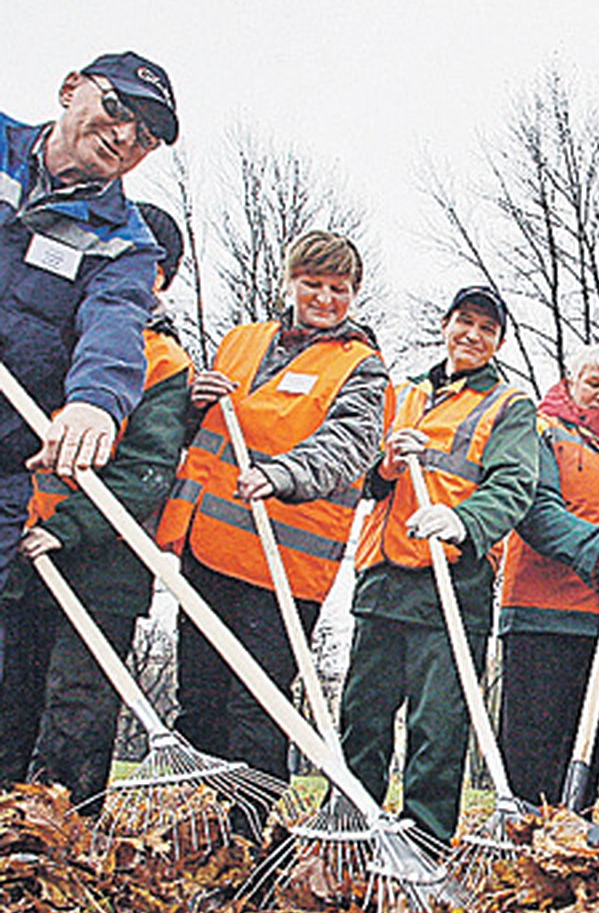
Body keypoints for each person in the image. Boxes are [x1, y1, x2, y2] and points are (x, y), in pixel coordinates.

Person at [157, 231, 389, 789]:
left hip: (282, 565)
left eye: (340, 288)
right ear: (291, 282)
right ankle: (198, 820)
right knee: (200, 696)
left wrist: (282, 475)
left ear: (354, 293)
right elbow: (194, 435)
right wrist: (192, 404)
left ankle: (249, 825)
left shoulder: (362, 366)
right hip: (207, 550)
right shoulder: (240, 342)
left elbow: (351, 444)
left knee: (256, 706)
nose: (326, 298)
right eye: (314, 284)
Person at [0, 204, 192, 805]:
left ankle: (65, 838)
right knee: (13, 699)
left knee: (76, 709)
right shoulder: (49, 336)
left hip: (102, 565)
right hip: (23, 554)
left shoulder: (163, 363)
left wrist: (67, 528)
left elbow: (146, 473)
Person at [0, 53, 178, 678]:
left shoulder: (127, 244)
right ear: (70, 88)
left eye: (147, 135)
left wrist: (96, 401)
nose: (126, 135)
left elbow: (115, 324)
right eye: (118, 109)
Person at [340, 287, 538, 843]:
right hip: (382, 573)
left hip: (454, 577)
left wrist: (464, 522)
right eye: (464, 322)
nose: (472, 335)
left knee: (438, 722)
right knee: (363, 714)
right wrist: (386, 463)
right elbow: (366, 483)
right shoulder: (404, 394)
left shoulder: (509, 405)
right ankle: (352, 824)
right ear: (446, 324)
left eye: (487, 328)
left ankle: (423, 838)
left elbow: (515, 484)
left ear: (498, 340)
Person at [498, 343, 599, 811]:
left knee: (590, 737)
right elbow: (536, 512)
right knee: (535, 741)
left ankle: (575, 831)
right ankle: (524, 833)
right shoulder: (540, 431)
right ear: (571, 382)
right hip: (542, 614)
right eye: (594, 384)